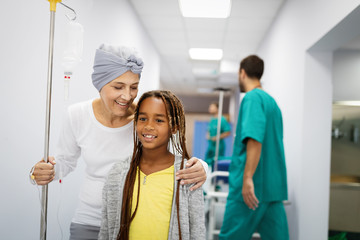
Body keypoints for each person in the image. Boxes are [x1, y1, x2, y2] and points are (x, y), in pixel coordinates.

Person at [29, 44, 208, 239]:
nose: (127, 96)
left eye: (133, 87)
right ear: (100, 83)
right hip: (89, 218)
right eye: (118, 86)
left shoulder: (144, 120)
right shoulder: (77, 115)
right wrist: (46, 171)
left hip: (130, 220)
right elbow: (65, 161)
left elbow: (175, 158)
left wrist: (203, 168)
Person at [99, 90, 206, 240]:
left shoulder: (187, 175)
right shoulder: (118, 172)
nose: (148, 126)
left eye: (159, 120)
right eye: (143, 118)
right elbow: (106, 228)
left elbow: (197, 230)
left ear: (174, 127)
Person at [219, 55, 289, 240]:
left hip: (251, 190)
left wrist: (248, 177)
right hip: (272, 189)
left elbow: (254, 139)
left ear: (242, 73)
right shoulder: (272, 103)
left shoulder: (251, 98)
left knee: (230, 237)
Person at [205, 102, 231, 168]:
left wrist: (217, 137)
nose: (210, 108)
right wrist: (207, 135)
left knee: (216, 163)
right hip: (211, 145)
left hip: (218, 146)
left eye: (212, 107)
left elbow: (228, 132)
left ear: (217, 108)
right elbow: (208, 130)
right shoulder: (211, 119)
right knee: (207, 162)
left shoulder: (222, 120)